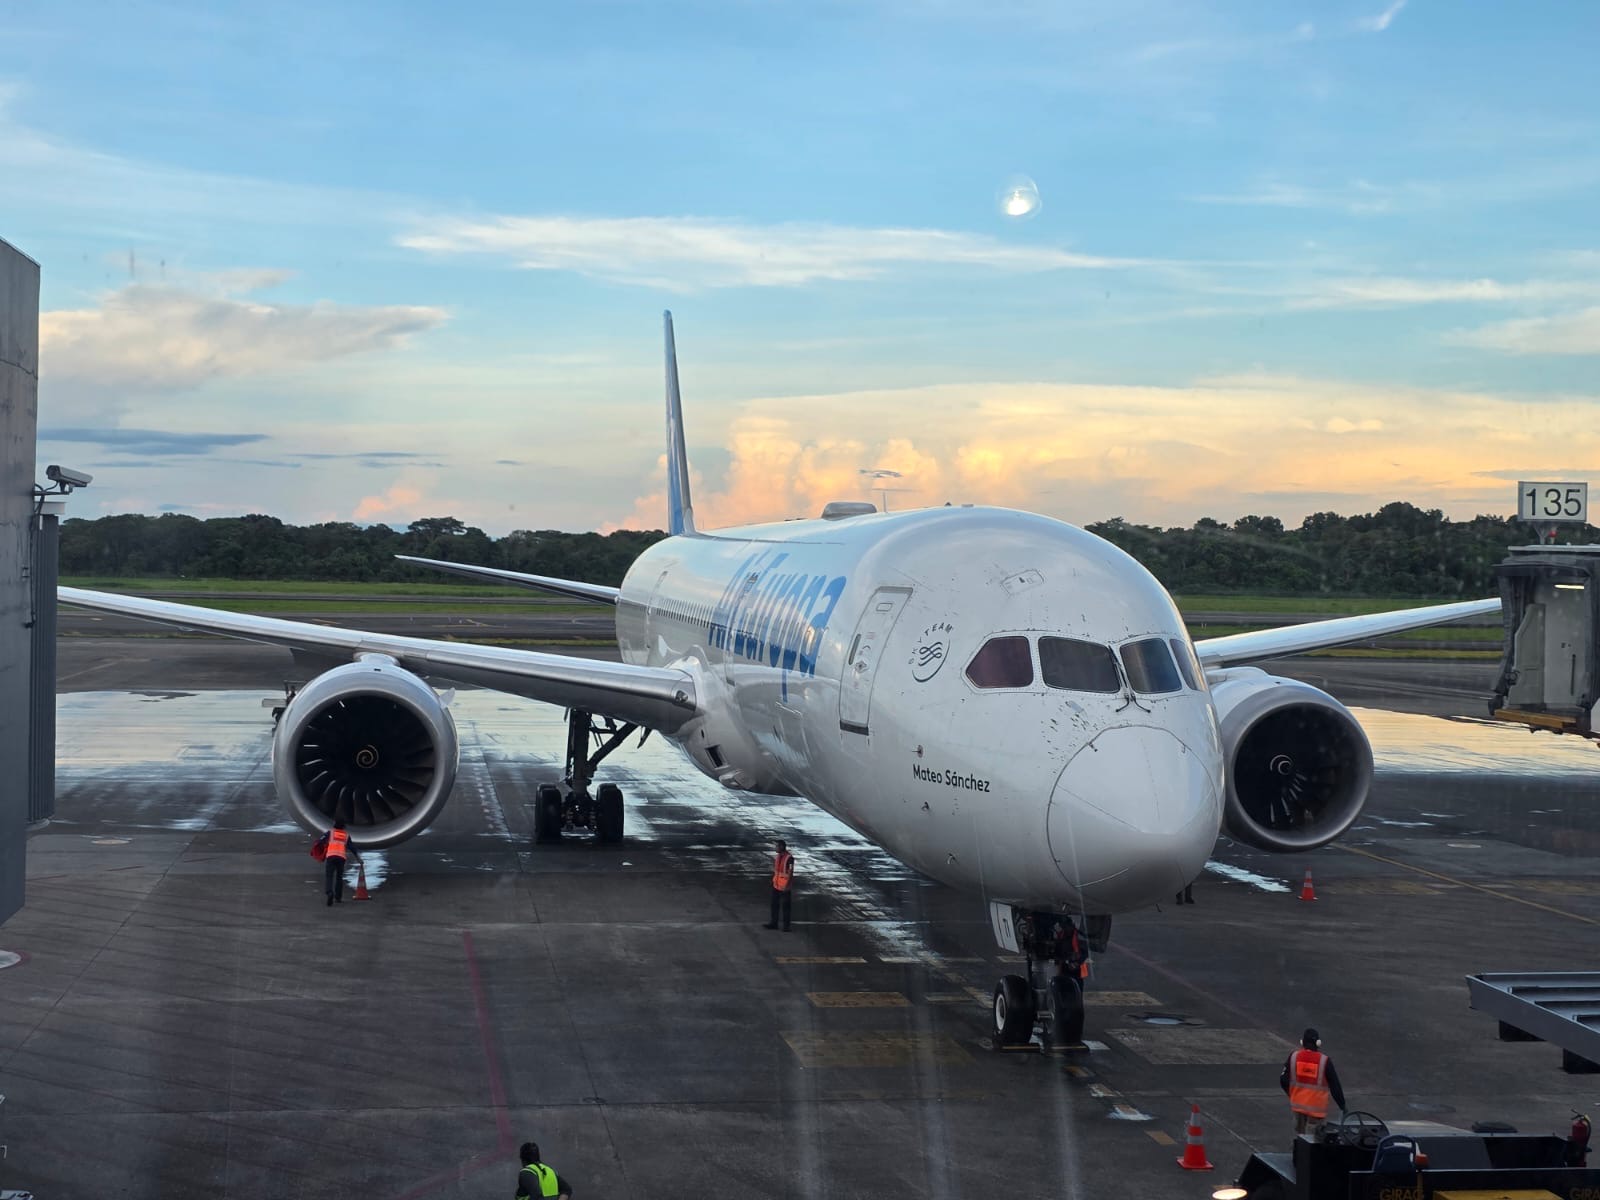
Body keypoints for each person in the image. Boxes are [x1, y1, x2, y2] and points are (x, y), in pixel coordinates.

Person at [1280, 1027, 1346, 1135]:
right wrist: (1342, 1105)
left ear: (1302, 1042)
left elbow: (1283, 1080)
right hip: (1316, 1112)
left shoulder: (1294, 1056)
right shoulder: (1324, 1061)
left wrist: (1293, 1095)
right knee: (1313, 1144)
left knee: (1299, 1141)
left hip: (1298, 1108)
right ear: (1318, 1043)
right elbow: (1335, 1086)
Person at [313, 820, 362, 906]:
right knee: (339, 878)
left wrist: (320, 848)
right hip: (341, 858)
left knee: (329, 876)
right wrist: (359, 859)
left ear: (334, 825)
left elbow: (320, 841)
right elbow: (353, 848)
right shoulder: (346, 836)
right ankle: (338, 897)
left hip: (331, 857)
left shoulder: (330, 833)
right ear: (344, 827)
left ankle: (329, 892)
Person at [763, 839, 794, 931]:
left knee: (786, 907)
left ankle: (786, 927)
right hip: (776, 885)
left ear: (781, 847)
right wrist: (773, 881)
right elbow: (777, 871)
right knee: (774, 905)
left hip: (785, 887)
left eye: (777, 846)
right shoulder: (778, 857)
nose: (775, 848)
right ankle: (774, 923)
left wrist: (787, 886)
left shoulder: (789, 858)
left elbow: (790, 873)